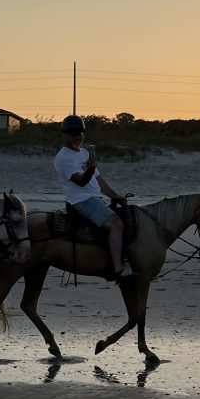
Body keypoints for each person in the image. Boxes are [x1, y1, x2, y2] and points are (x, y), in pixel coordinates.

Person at [54, 114, 132, 279]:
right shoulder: (63, 158)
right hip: (80, 201)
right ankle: (118, 269)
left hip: (94, 198)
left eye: (80, 133)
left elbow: (98, 180)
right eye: (74, 133)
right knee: (116, 224)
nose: (78, 137)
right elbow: (81, 182)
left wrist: (115, 196)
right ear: (66, 134)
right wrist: (90, 169)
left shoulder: (83, 153)